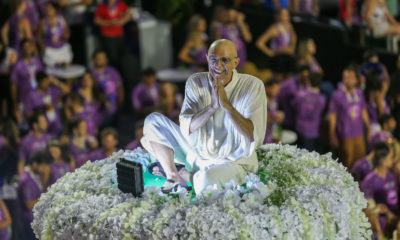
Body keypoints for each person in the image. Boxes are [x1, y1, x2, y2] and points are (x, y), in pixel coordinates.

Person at [141, 39, 267, 194]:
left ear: (236, 62)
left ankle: (184, 173)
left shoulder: (253, 86)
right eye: (213, 59)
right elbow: (187, 128)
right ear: (207, 59)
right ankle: (173, 176)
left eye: (225, 60)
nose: (218, 66)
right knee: (152, 122)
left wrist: (226, 106)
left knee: (206, 183)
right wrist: (212, 107)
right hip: (198, 153)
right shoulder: (195, 81)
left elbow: (252, 135)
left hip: (234, 162)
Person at [329, 65, 371, 169]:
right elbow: (333, 116)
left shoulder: (360, 93)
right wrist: (332, 134)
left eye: (350, 77)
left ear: (356, 80)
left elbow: (363, 110)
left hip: (359, 134)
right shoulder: (337, 95)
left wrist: (369, 128)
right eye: (345, 77)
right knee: (347, 163)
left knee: (360, 161)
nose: (347, 80)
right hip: (345, 136)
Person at [361, 142, 397, 239]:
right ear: (383, 161)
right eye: (390, 157)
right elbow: (369, 210)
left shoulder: (391, 176)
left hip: (394, 218)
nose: (393, 160)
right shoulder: (369, 181)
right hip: (381, 222)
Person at [16, 151, 50, 240]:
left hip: (34, 222)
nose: (45, 169)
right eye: (43, 166)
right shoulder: (26, 179)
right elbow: (30, 205)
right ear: (35, 164)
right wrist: (48, 199)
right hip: (28, 224)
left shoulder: (35, 175)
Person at [256, 8, 297, 82]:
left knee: (288, 80)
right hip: (279, 59)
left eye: (287, 15)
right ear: (278, 16)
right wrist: (271, 53)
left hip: (288, 58)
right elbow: (259, 43)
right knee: (278, 81)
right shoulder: (274, 28)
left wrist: (292, 49)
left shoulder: (289, 27)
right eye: (283, 15)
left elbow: (294, 38)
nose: (286, 17)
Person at [10, 38, 44, 120]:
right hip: (26, 100)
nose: (27, 49)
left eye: (29, 46)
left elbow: (43, 79)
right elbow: (13, 86)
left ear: (32, 47)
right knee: (28, 124)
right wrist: (15, 103)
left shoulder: (37, 62)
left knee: (41, 121)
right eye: (25, 47)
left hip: (39, 98)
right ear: (21, 50)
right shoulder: (17, 66)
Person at [293, 72, 326, 153]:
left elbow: (295, 107)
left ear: (308, 81)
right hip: (314, 132)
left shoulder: (300, 94)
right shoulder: (322, 99)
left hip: (300, 130)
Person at [94, 0, 132, 69]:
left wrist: (122, 21)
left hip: (119, 35)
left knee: (123, 55)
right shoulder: (101, 6)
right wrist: (109, 23)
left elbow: (129, 14)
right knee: (112, 57)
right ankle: (113, 72)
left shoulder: (120, 4)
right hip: (107, 36)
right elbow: (97, 20)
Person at [36, 2, 73, 67]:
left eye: (50, 9)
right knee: (51, 72)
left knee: (66, 70)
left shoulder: (62, 19)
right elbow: (38, 37)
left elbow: (68, 31)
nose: (48, 11)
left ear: (55, 10)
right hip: (50, 51)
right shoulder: (43, 23)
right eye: (46, 9)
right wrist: (43, 48)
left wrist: (66, 36)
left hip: (62, 49)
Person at [90, 50, 124, 117]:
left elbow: (120, 87)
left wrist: (121, 102)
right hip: (95, 110)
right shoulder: (90, 73)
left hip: (112, 108)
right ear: (94, 60)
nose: (102, 60)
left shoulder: (112, 71)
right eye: (99, 58)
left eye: (104, 58)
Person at [277, 65, 310, 129]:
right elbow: (276, 94)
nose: (306, 79)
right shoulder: (288, 84)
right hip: (287, 119)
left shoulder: (307, 84)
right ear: (299, 74)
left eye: (307, 77)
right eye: (304, 76)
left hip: (298, 121)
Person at [0, 39, 17, 117]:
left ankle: (9, 115)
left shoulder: (10, 52)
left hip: (9, 80)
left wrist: (4, 73)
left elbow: (15, 69)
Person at [264, 78, 284, 143]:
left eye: (278, 89)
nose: (277, 92)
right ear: (267, 88)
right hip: (264, 137)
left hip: (273, 135)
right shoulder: (262, 101)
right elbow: (261, 121)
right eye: (275, 89)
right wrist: (275, 119)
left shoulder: (275, 100)